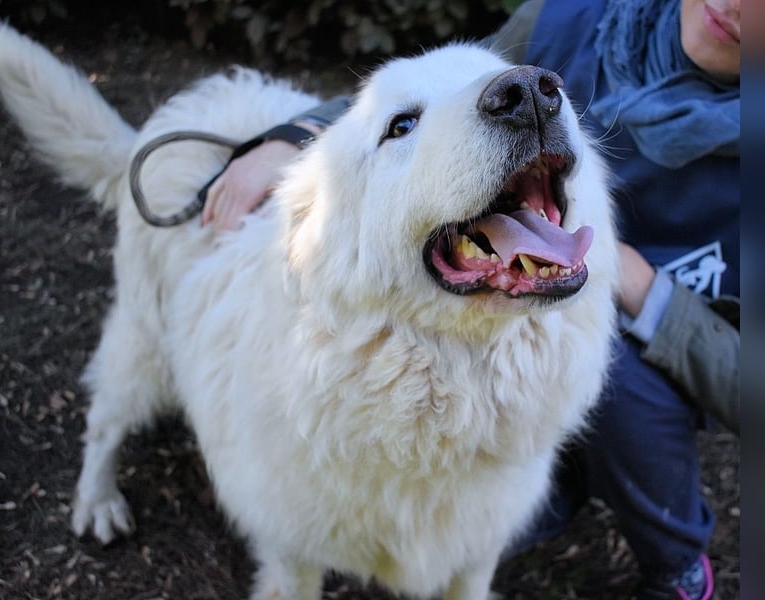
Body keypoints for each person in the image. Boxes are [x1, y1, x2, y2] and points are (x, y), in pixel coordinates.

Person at [199, 1, 740, 597]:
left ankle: (675, 557)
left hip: (642, 320)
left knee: (625, 385)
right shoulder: (572, 18)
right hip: (536, 239)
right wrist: (288, 139)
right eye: (401, 129)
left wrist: (644, 288)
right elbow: (433, 89)